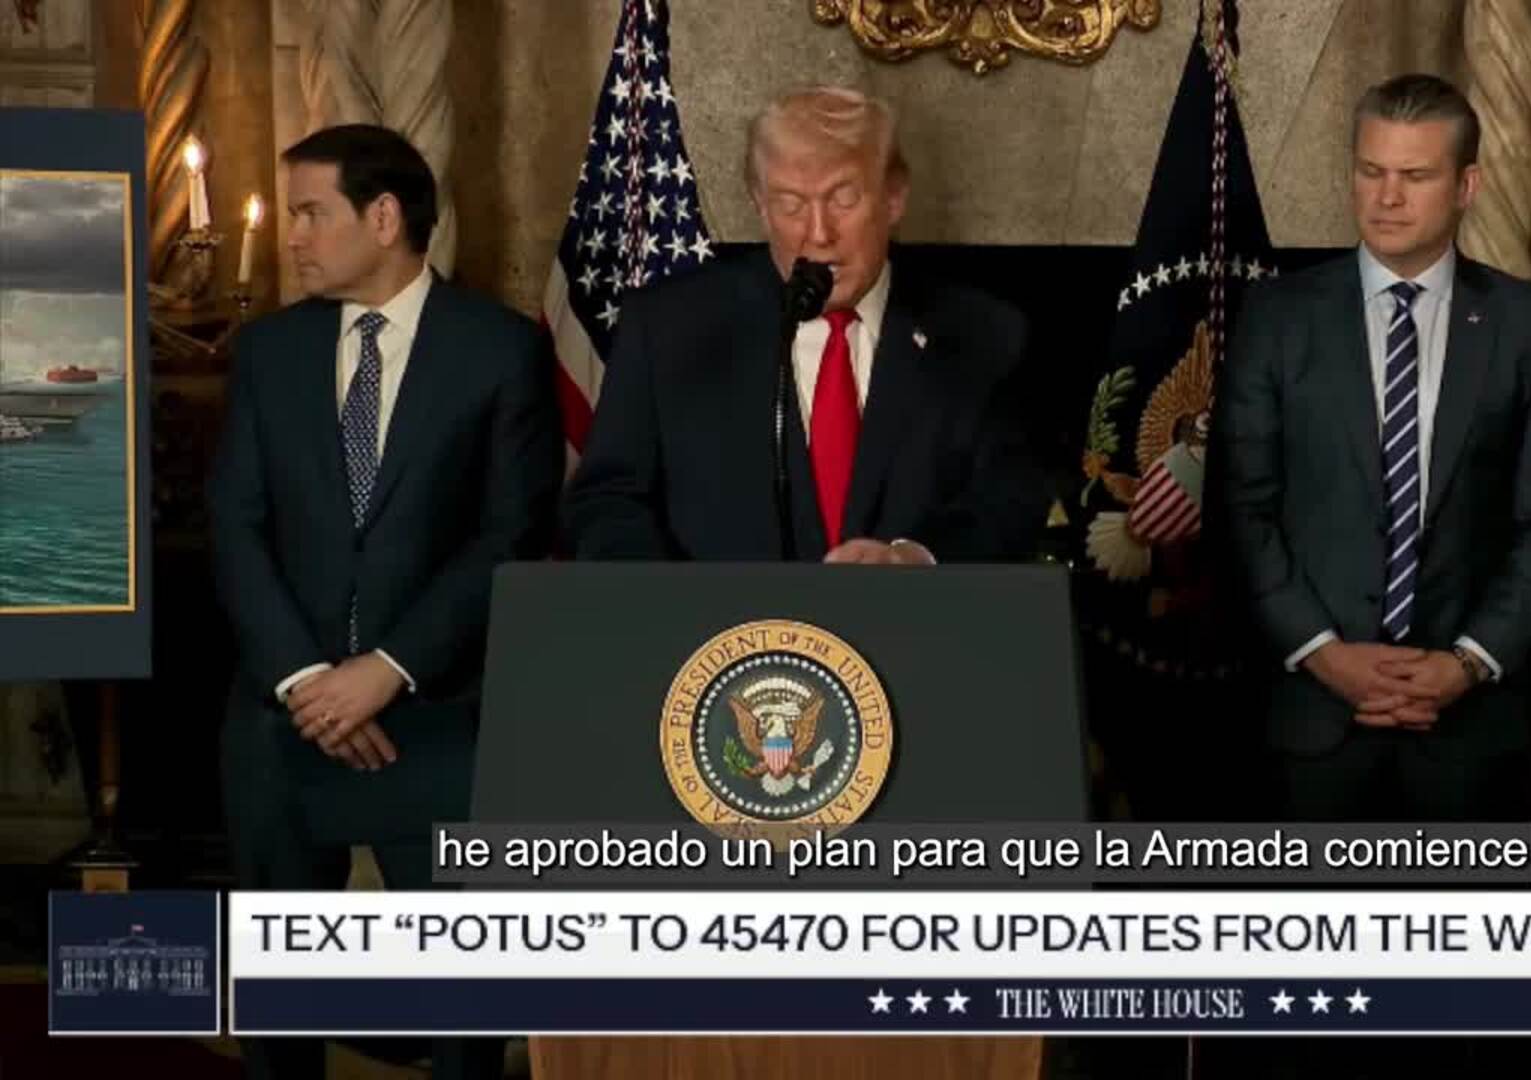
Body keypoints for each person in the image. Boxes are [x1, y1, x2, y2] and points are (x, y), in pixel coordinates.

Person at [208, 123, 562, 1079]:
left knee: (462, 1008)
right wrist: (305, 680)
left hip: (439, 714)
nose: (292, 237)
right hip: (280, 719)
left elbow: (512, 535)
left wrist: (387, 671)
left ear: (385, 216)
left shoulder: (499, 350)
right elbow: (235, 526)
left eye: (310, 213)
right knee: (277, 999)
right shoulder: (270, 351)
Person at [1216, 74, 1531, 823]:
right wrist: (1324, 654)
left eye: (1415, 176)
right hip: (1313, 722)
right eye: (1371, 171)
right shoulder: (1278, 317)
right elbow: (1240, 507)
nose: (1387, 197)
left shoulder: (1529, 323)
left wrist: (1468, 662)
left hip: (1469, 729)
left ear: (1466, 186)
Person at [563, 85, 1046, 564]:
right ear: (760, 204)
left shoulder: (982, 332)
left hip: (914, 614)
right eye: (791, 204)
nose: (818, 233)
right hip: (715, 616)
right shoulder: (670, 327)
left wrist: (913, 560)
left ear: (894, 196)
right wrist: (673, 600)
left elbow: (1010, 504)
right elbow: (607, 500)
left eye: (843, 198)